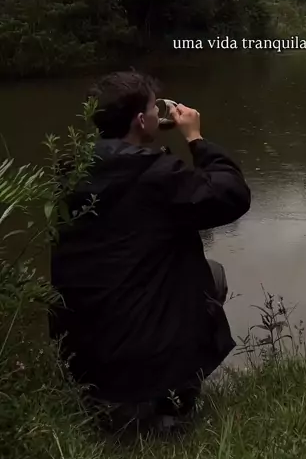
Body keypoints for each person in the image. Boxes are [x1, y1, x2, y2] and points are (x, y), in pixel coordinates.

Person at [49, 70, 251, 437]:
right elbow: (231, 195)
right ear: (141, 121)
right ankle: (170, 404)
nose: (160, 113)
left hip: (84, 355)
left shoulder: (71, 171)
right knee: (212, 276)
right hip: (142, 354)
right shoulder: (155, 174)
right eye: (154, 109)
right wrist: (196, 139)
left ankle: (103, 395)